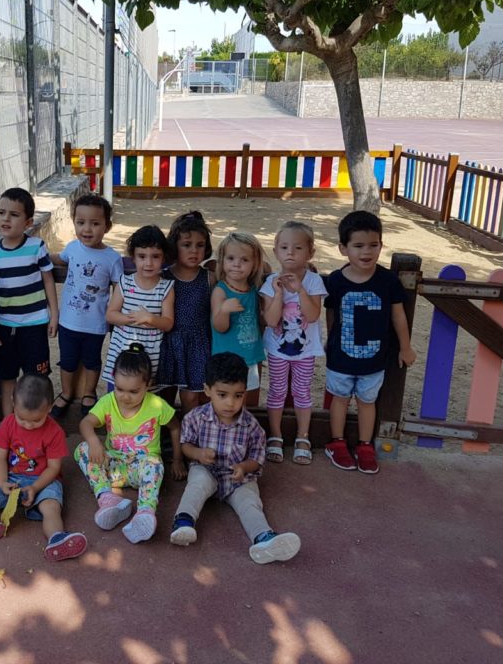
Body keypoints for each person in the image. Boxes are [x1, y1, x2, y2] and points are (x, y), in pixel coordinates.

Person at [170, 352, 302, 564]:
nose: (230, 403)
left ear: (244, 393)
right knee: (197, 484)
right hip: (206, 470)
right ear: (207, 390)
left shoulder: (252, 426)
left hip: (237, 478)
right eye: (222, 395)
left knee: (250, 502)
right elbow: (185, 445)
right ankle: (183, 522)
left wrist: (244, 467)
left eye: (238, 395)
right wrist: (197, 454)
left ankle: (264, 538)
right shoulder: (195, 418)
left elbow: (257, 458)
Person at [324, 211, 417, 475]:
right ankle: (337, 442)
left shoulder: (388, 281)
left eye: (373, 245)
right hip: (341, 358)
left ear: (381, 245)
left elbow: (398, 316)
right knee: (340, 399)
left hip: (375, 360)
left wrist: (405, 347)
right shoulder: (336, 280)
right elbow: (331, 312)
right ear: (343, 249)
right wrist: (330, 339)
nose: (366, 252)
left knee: (367, 401)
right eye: (358, 245)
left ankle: (365, 445)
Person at [0, 374, 87, 562]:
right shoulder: (8, 423)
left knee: (51, 506)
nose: (28, 425)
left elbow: (53, 468)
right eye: (22, 418)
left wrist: (35, 487)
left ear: (50, 408)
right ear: (13, 403)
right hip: (12, 478)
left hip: (43, 481)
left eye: (36, 420)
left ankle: (57, 538)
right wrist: (2, 482)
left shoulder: (55, 432)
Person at [75, 344, 185, 544]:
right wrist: (93, 441)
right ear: (113, 380)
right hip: (113, 468)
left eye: (133, 391)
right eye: (119, 389)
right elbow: (86, 423)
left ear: (148, 384)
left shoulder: (157, 405)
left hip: (142, 470)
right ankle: (107, 498)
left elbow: (175, 427)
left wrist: (177, 460)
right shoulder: (108, 401)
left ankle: (145, 512)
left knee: (154, 464)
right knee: (82, 449)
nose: (125, 397)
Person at [0, 187, 59, 417]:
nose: (6, 219)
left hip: (34, 325)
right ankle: (9, 424)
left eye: (14, 215)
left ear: (28, 222)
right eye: (1, 213)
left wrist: (54, 314)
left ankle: (38, 422)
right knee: (7, 377)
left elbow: (48, 280)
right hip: (3, 327)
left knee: (37, 377)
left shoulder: (36, 247)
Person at [49, 194, 123, 419]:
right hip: (68, 322)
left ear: (107, 226)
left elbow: (119, 289)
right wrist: (39, 254)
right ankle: (66, 392)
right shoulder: (72, 248)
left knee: (92, 361)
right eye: (80, 222)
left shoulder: (112, 258)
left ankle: (89, 392)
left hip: (95, 324)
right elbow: (59, 259)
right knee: (67, 361)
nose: (87, 229)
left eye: (95, 223)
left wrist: (116, 316)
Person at [260, 221, 327, 464]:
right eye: (284, 247)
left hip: (305, 351)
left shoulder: (313, 282)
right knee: (277, 391)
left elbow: (312, 315)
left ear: (310, 253)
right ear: (276, 251)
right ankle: (275, 435)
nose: (290, 253)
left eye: (298, 248)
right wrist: (279, 293)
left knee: (302, 391)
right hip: (278, 350)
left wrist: (300, 291)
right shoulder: (270, 283)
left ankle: (303, 436)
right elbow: (271, 320)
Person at [101, 225, 174, 389]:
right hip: (121, 351)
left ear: (163, 258)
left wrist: (150, 318)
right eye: (142, 256)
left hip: (150, 356)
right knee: (117, 392)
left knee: (145, 394)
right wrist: (133, 318)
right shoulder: (125, 282)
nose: (148, 263)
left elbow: (168, 323)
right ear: (133, 257)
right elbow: (111, 315)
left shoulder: (166, 288)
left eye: (155, 256)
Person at [156, 211, 213, 412]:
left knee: (193, 398)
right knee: (163, 399)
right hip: (168, 344)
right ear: (174, 246)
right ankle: (165, 432)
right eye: (186, 245)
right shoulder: (163, 277)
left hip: (198, 346)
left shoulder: (210, 277)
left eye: (200, 245)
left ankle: (191, 431)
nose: (194, 251)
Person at [210, 232, 266, 393]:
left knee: (243, 396)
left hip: (249, 357)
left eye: (244, 260)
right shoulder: (221, 291)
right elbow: (219, 327)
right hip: (226, 359)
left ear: (255, 264)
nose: (237, 264)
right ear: (222, 260)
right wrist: (224, 310)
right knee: (226, 397)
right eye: (231, 258)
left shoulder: (253, 289)